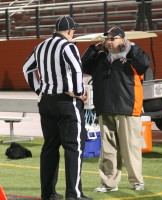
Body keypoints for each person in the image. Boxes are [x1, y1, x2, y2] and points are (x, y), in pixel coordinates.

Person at [23, 16, 93, 200]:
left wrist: (39, 90)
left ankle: (48, 193)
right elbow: (77, 68)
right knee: (74, 147)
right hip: (66, 102)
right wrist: (78, 92)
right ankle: (74, 194)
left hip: (46, 102)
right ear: (69, 31)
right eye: (73, 31)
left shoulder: (41, 46)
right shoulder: (68, 46)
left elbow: (26, 68)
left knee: (50, 148)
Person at [81, 27, 151, 192]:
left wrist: (131, 47)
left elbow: (145, 64)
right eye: (107, 39)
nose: (109, 42)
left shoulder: (132, 56)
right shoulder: (100, 58)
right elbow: (83, 65)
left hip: (127, 108)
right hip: (105, 108)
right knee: (108, 151)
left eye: (113, 39)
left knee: (130, 149)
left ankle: (137, 181)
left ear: (122, 39)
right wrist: (94, 48)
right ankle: (109, 183)